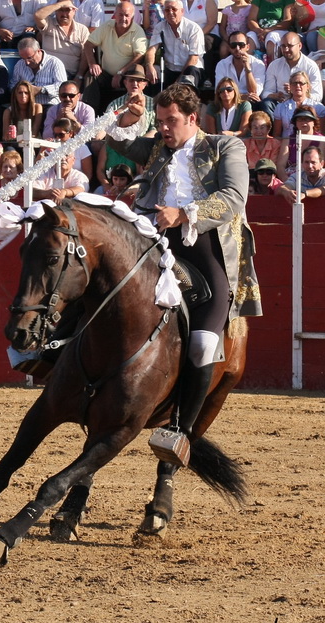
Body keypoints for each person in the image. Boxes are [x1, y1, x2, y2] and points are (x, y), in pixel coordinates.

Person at [106, 82, 262, 466]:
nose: (162, 128)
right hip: (158, 241)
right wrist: (130, 116)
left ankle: (180, 430)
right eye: (158, 121)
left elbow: (233, 198)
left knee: (204, 343)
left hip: (207, 248)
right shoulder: (160, 147)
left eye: (170, 121)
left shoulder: (226, 146)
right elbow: (122, 142)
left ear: (193, 118)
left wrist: (184, 213)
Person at [82, 1, 148, 113]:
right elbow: (88, 44)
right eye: (120, 14)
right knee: (90, 74)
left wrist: (121, 73)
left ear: (132, 16)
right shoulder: (107, 26)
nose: (123, 18)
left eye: (127, 15)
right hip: (106, 74)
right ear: (115, 15)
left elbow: (139, 56)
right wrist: (92, 63)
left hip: (127, 76)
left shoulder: (137, 31)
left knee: (133, 78)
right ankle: (89, 113)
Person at [144, 0, 206, 91]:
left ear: (182, 11)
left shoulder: (194, 29)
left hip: (190, 70)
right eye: (167, 10)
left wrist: (179, 80)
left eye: (174, 9)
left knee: (190, 72)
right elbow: (152, 50)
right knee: (153, 72)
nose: (170, 12)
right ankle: (154, 102)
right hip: (170, 69)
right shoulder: (160, 27)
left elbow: (194, 58)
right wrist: (149, 66)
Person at [260, 32, 322, 119]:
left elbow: (317, 96)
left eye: (289, 46)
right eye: (283, 46)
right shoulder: (274, 65)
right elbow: (266, 92)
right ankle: (275, 132)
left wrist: (297, 92)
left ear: (299, 46)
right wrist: (274, 96)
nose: (286, 49)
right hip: (280, 104)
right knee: (266, 104)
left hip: (303, 106)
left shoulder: (310, 66)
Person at [34, 0, 90, 80]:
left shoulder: (82, 30)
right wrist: (60, 4)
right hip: (49, 74)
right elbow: (37, 15)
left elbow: (86, 55)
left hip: (72, 76)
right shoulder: (48, 24)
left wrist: (79, 76)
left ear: (74, 11)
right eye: (60, 10)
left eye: (67, 10)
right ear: (55, 11)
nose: (64, 14)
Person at [9, 37, 67, 107]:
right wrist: (22, 90)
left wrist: (41, 90)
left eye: (29, 58)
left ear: (38, 51)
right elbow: (13, 84)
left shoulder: (54, 63)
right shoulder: (19, 64)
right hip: (27, 106)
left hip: (49, 105)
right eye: (23, 58)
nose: (26, 62)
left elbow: (62, 87)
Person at [215, 30, 266, 104]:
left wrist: (247, 68)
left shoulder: (258, 64)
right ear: (229, 48)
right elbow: (219, 92)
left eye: (241, 45)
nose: (237, 48)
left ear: (248, 47)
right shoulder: (222, 64)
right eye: (233, 45)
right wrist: (243, 97)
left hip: (250, 103)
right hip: (229, 102)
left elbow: (254, 92)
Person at [272, 71, 325, 138]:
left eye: (301, 83)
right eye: (294, 83)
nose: (298, 86)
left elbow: (322, 133)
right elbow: (277, 134)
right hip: (287, 145)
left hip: (311, 145)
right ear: (290, 86)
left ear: (307, 86)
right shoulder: (281, 107)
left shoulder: (318, 107)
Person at [276, 105, 322, 179]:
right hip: (290, 180)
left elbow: (320, 166)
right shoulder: (288, 139)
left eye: (307, 119)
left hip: (314, 180)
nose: (303, 122)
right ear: (295, 123)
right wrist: (288, 183)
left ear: (314, 122)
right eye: (300, 119)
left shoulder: (321, 140)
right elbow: (280, 166)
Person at [182, 0, 220, 85]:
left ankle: (207, 77)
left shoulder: (207, 1)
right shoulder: (180, 1)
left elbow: (212, 22)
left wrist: (197, 36)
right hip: (187, 35)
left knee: (205, 42)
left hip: (207, 33)